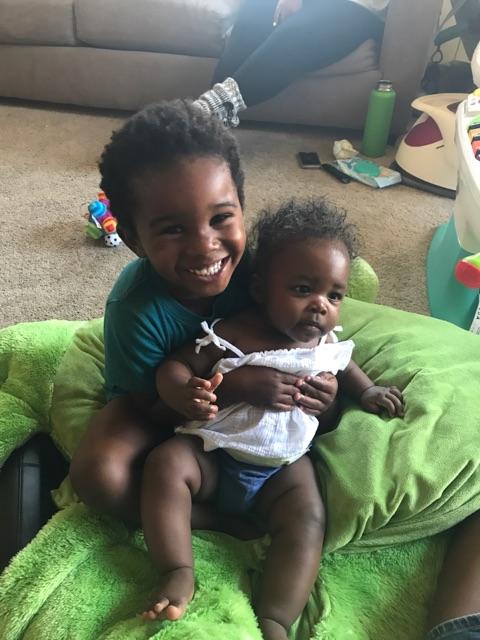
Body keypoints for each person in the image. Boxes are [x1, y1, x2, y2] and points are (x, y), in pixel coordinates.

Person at [69, 99, 339, 606]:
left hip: (259, 419)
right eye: (173, 229)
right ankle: (215, 522)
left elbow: (312, 339)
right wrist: (225, 388)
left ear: (242, 207)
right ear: (133, 238)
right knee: (97, 475)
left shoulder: (262, 274)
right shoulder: (134, 308)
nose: (204, 246)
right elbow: (148, 409)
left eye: (221, 218)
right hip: (160, 402)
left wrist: (327, 394)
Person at [148, 198, 404, 639]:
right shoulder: (235, 332)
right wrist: (183, 389)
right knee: (166, 464)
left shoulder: (325, 342)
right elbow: (176, 365)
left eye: (334, 295)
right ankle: (177, 569)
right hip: (215, 454)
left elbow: (346, 366)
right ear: (260, 289)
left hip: (282, 471)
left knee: (309, 518)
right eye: (303, 289)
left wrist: (361, 391)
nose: (320, 306)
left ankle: (276, 617)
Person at [194, 0, 388, 127]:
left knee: (298, 33)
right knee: (256, 9)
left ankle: (203, 116)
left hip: (354, 6)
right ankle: (208, 124)